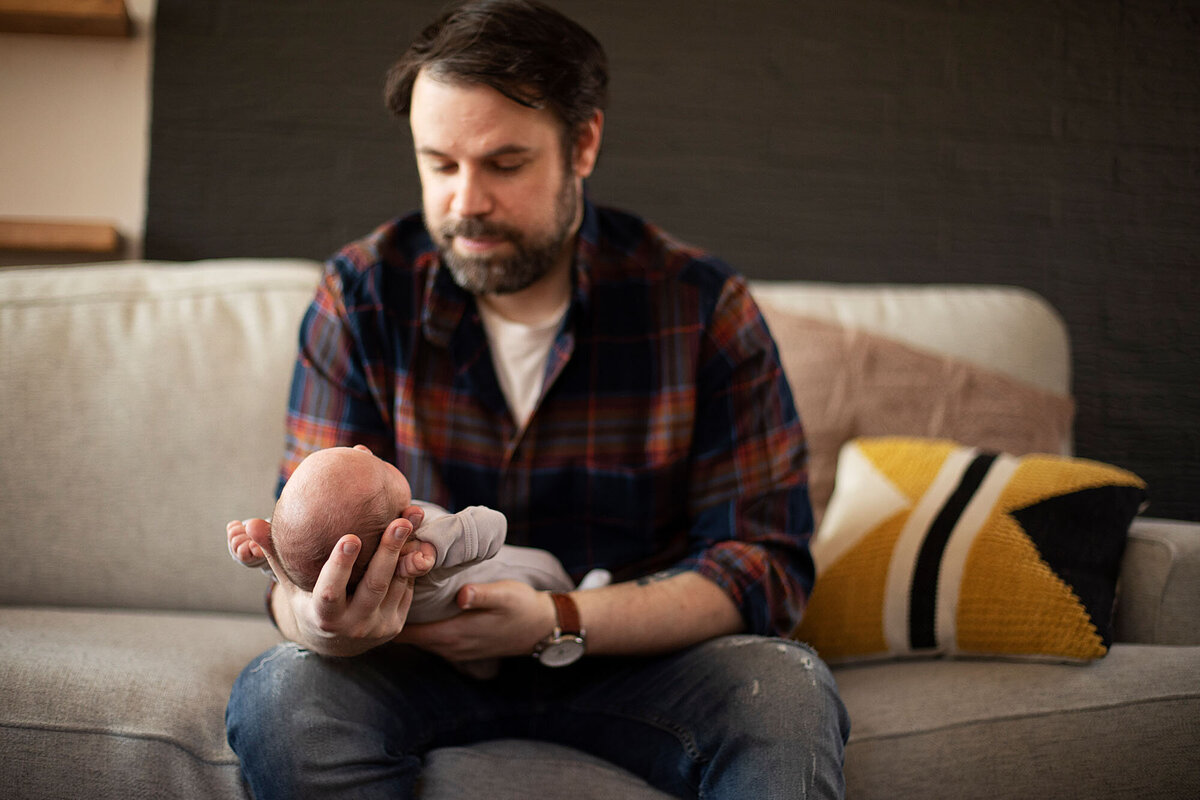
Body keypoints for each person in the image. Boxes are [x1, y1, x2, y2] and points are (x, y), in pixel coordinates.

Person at [225, 1, 850, 797]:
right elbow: (305, 550)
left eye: (505, 164)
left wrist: (561, 619)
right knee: (284, 695)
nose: (466, 202)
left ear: (583, 143)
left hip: (634, 661)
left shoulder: (699, 304)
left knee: (789, 694)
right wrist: (320, 623)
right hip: (413, 661)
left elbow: (766, 565)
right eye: (440, 164)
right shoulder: (363, 295)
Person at [226, 444, 576, 621]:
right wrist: (435, 547)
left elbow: (314, 569)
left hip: (494, 626)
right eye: (377, 463)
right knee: (545, 566)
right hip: (509, 580)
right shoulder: (420, 553)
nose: (364, 448)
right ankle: (578, 588)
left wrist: (269, 560)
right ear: (394, 528)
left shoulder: (344, 578)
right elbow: (494, 527)